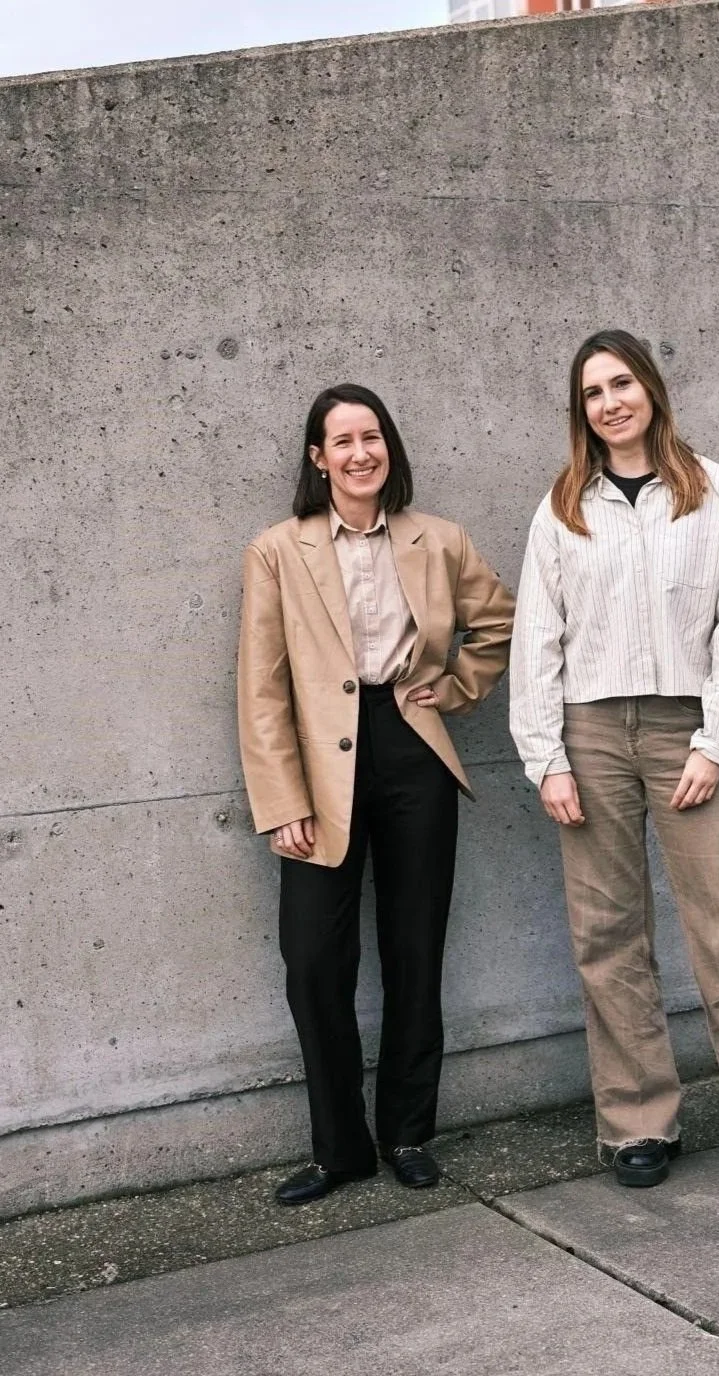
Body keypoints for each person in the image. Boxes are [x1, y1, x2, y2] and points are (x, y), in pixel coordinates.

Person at [510, 330, 719, 1190]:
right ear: (580, 410)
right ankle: (638, 1125)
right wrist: (546, 757)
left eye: (621, 384)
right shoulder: (563, 505)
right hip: (589, 733)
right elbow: (536, 638)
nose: (609, 403)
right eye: (592, 392)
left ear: (651, 389)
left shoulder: (710, 488)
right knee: (609, 935)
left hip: (685, 730)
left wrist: (715, 740)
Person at [238, 383, 515, 1205]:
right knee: (313, 962)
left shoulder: (439, 539)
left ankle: (406, 1132)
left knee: (414, 949)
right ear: (318, 459)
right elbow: (261, 688)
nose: (361, 453)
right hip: (317, 764)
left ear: (388, 446)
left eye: (373, 437)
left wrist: (455, 687)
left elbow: (500, 623)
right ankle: (340, 1150)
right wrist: (282, 800)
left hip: (410, 748)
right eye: (343, 442)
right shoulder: (278, 550)